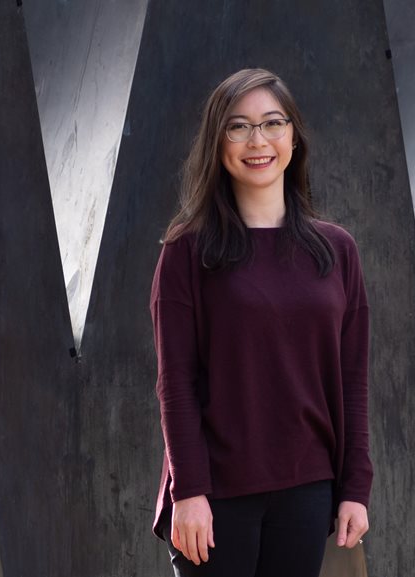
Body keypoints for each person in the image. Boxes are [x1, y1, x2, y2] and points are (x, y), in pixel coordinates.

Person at [149, 68, 372, 577]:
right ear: (218, 142)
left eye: (273, 123)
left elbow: (352, 379)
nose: (258, 141)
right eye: (238, 126)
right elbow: (175, 383)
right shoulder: (187, 251)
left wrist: (355, 488)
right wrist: (189, 491)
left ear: (294, 136)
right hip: (216, 493)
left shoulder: (337, 251)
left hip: (308, 488)